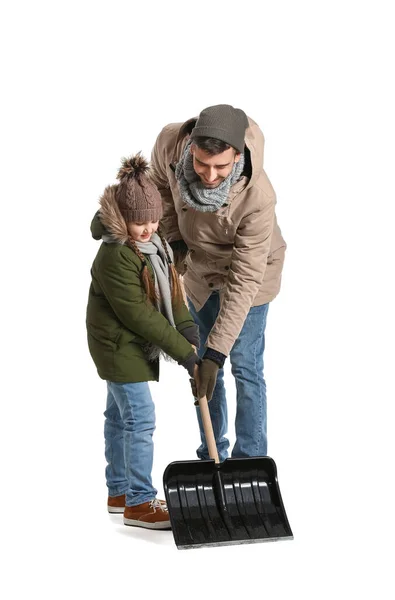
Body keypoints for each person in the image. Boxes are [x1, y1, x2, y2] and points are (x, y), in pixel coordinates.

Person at [149, 104, 287, 461]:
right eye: (201, 164)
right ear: (190, 147)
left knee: (242, 364)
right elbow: (161, 188)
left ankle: (250, 460)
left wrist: (216, 351)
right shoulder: (170, 143)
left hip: (250, 275)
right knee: (203, 371)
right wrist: (174, 241)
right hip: (199, 269)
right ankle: (213, 455)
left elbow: (245, 280)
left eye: (221, 167)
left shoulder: (259, 198)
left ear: (237, 157)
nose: (209, 176)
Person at [86, 153, 200, 529]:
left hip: (126, 342)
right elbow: (141, 315)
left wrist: (190, 335)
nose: (148, 227)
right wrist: (183, 354)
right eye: (139, 222)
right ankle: (138, 501)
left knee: (119, 416)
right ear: (121, 219)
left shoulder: (157, 246)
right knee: (139, 418)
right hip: (119, 344)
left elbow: (174, 294)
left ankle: (119, 491)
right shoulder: (116, 254)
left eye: (153, 219)